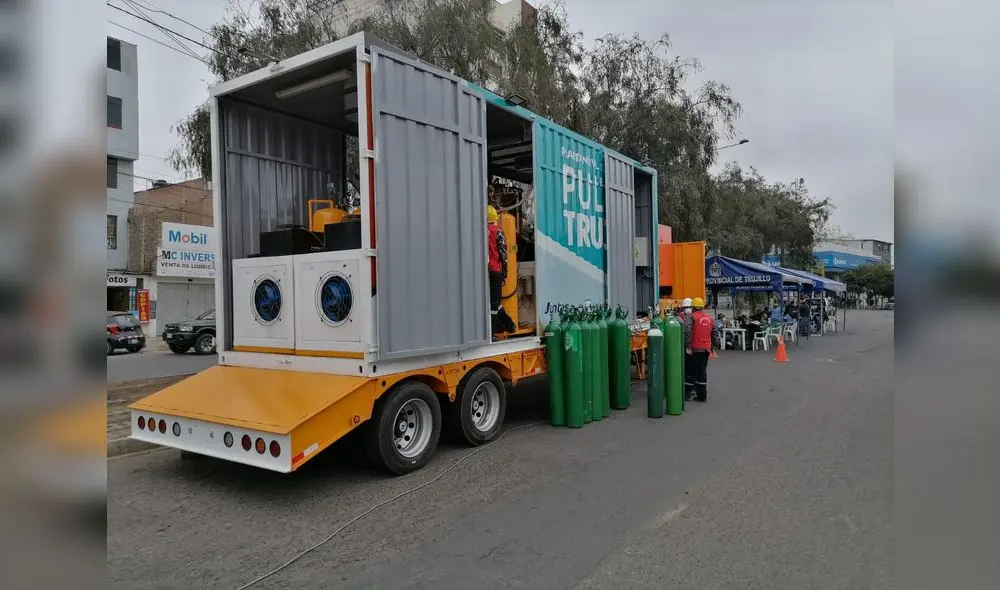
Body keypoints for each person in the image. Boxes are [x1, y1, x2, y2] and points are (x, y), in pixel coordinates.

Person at [683, 297, 720, 402]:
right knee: (702, 372)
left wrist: (687, 346)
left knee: (690, 372)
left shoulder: (691, 317)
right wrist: (712, 348)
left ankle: (687, 394)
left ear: (693, 307)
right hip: (705, 350)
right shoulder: (709, 318)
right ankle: (702, 396)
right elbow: (715, 334)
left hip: (694, 349)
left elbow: (687, 332)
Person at [487, 205, 515, 336]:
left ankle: (507, 323)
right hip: (495, 270)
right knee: (495, 301)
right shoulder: (497, 230)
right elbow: (503, 253)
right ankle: (493, 330)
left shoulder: (479, 231)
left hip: (483, 272)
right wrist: (505, 272)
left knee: (493, 301)